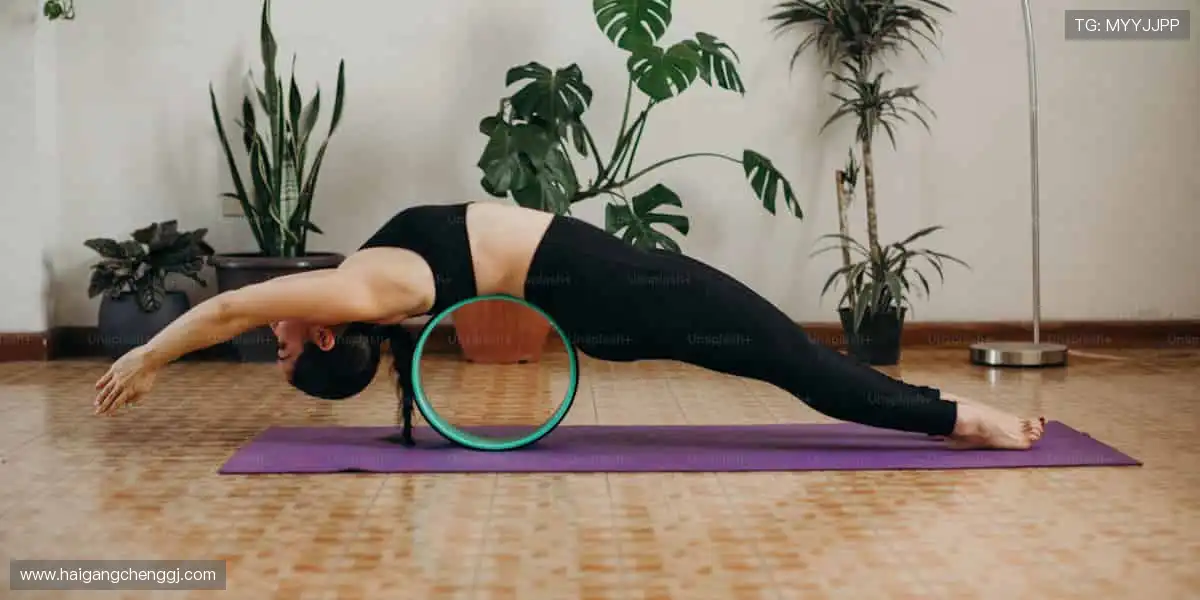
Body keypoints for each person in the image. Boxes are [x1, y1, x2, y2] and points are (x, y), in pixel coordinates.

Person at [93, 202, 1045, 450]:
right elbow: (230, 306)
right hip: (618, 295)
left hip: (614, 297)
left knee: (789, 359)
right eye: (287, 350)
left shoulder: (361, 286)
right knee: (792, 360)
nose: (277, 333)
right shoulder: (363, 292)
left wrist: (150, 351)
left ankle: (946, 413)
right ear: (331, 338)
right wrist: (153, 353)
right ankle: (961, 418)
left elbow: (233, 305)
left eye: (282, 345)